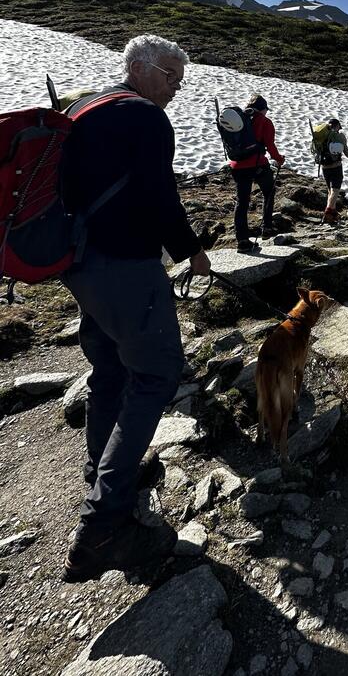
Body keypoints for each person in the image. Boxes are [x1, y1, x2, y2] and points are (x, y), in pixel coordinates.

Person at [60, 34, 211, 582]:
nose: (175, 88)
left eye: (180, 80)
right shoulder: (145, 117)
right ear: (141, 68)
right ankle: (105, 525)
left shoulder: (85, 107)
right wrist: (191, 251)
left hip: (79, 263)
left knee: (110, 371)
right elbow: (157, 194)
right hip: (126, 265)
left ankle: (101, 469)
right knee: (156, 373)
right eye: (171, 76)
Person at [230, 94, 285, 251]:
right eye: (266, 109)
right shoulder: (265, 122)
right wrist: (279, 159)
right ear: (262, 109)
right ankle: (266, 227)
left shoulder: (239, 119)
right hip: (257, 164)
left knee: (242, 202)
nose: (266, 112)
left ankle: (242, 241)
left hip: (237, 165)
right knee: (269, 191)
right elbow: (270, 146)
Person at [320, 118, 348, 224]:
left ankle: (333, 214)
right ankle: (328, 212)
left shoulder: (323, 136)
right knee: (335, 190)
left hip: (324, 167)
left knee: (330, 191)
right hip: (336, 166)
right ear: (337, 126)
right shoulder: (340, 136)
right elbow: (346, 152)